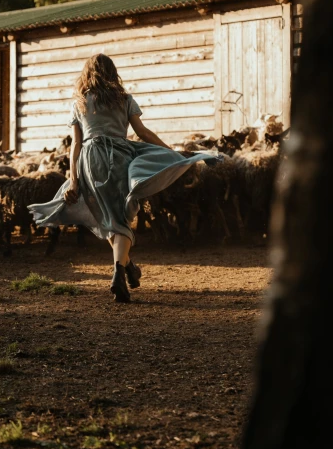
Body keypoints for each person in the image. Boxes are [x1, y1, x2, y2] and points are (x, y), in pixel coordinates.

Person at [28, 53, 219, 303]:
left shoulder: (80, 103)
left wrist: (73, 178)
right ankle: (119, 271)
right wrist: (170, 152)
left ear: (87, 74)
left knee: (107, 216)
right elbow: (142, 132)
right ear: (112, 72)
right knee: (122, 218)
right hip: (120, 156)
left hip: (89, 158)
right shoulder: (124, 99)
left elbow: (75, 144)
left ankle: (128, 267)